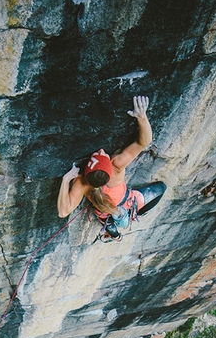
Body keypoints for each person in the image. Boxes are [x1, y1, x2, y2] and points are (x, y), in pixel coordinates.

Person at [57, 96, 153, 240]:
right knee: (161, 188)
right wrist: (142, 117)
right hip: (126, 202)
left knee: (109, 222)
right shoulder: (117, 165)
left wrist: (66, 180)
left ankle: (114, 233)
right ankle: (127, 221)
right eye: (100, 154)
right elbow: (143, 142)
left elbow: (63, 211)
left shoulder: (82, 183)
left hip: (103, 212)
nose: (101, 150)